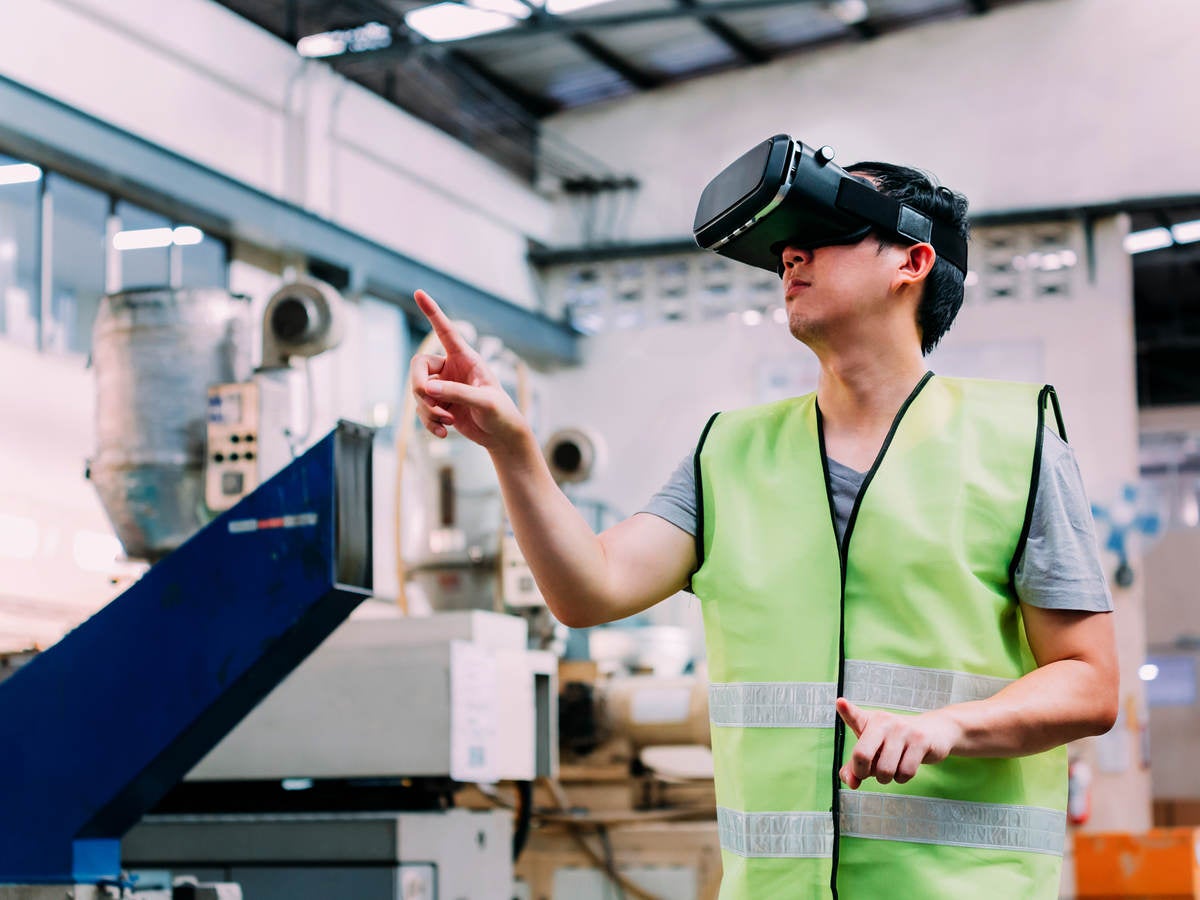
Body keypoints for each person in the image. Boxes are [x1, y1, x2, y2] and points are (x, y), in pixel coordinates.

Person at [409, 160, 1118, 900]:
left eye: (823, 233)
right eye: (785, 243)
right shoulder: (729, 453)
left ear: (913, 260)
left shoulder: (1016, 442)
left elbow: (1090, 682)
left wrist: (952, 727)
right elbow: (590, 590)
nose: (790, 254)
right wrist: (512, 448)